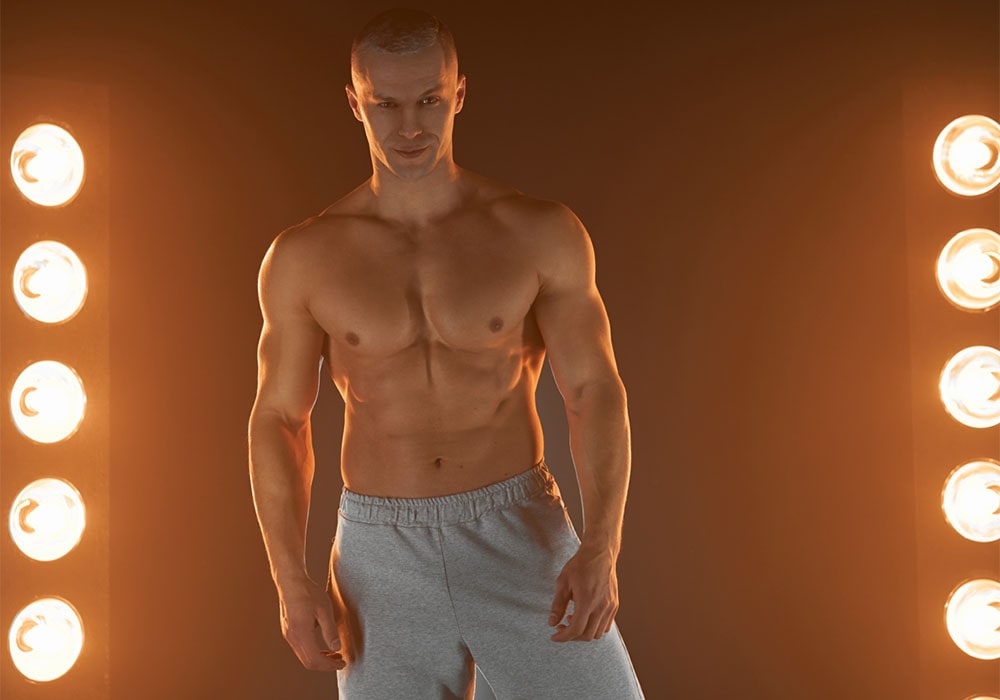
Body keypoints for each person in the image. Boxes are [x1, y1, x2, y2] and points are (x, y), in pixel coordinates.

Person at [247, 8, 644, 699]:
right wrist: (291, 578)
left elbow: (594, 392)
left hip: (520, 533)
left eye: (429, 100)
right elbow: (279, 419)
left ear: (459, 93)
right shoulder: (305, 257)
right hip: (379, 552)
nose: (409, 127)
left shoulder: (538, 233)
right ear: (355, 103)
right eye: (386, 104)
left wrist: (602, 547)